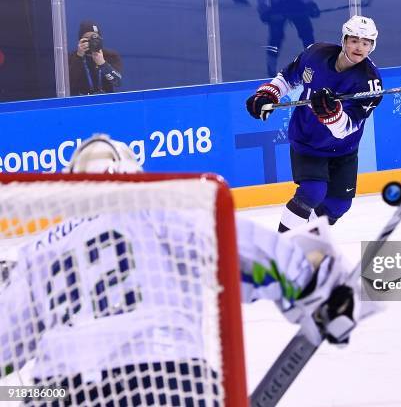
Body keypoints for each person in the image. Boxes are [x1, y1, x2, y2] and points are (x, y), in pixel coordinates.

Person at [0, 135, 359, 405]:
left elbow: (7, 347)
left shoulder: (36, 253)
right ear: (132, 173)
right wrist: (318, 286)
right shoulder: (154, 207)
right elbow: (241, 249)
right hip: (164, 379)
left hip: (58, 392)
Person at [246, 15, 383, 232]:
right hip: (307, 140)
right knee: (312, 192)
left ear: (372, 47)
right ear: (344, 40)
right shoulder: (316, 53)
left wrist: (332, 115)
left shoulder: (370, 82)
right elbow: (288, 77)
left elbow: (347, 129)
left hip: (344, 149)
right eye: (355, 40)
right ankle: (281, 245)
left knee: (338, 206)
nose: (359, 47)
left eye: (366, 43)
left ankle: (304, 240)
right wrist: (268, 94)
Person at [257, 0, 320, 77]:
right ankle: (271, 68)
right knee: (276, 38)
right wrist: (264, 8)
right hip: (277, 6)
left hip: (298, 4)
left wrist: (310, 4)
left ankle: (312, 65)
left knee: (307, 35)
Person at [68, 21, 122, 95]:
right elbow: (69, 84)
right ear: (80, 41)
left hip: (105, 100)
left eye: (94, 38)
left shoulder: (110, 56)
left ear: (100, 39)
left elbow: (117, 82)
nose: (91, 42)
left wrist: (103, 64)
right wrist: (79, 57)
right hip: (81, 102)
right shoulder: (71, 57)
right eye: (87, 39)